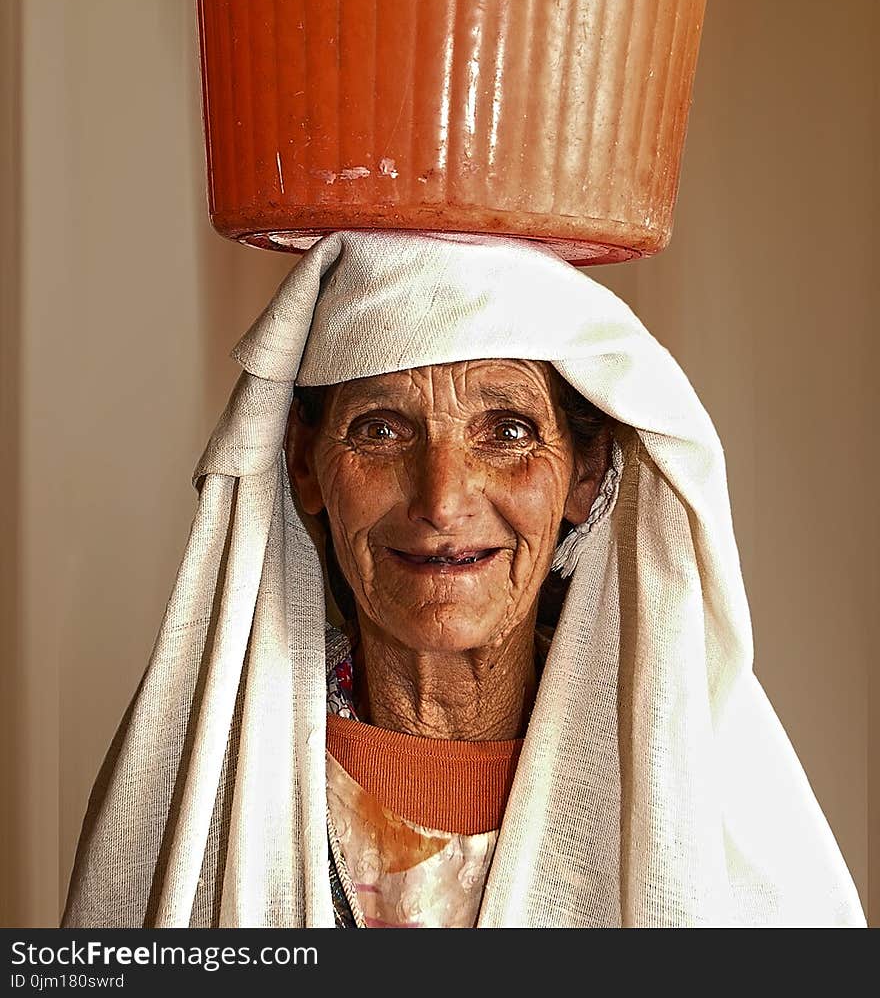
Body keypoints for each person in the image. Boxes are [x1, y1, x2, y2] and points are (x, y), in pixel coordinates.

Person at [62, 230, 866, 928]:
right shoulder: (212, 789)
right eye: (379, 430)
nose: (442, 498)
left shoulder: (683, 787)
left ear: (585, 475)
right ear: (306, 466)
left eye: (508, 430)